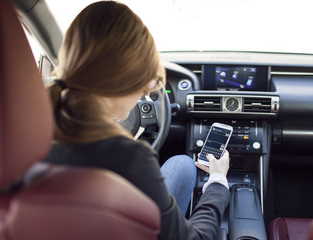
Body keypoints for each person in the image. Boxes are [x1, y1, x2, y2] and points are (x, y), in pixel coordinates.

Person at [44, 1, 230, 239]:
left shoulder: (26, 134)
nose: (142, 94)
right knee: (185, 165)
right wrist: (217, 183)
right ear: (126, 80)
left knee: (182, 165)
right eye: (146, 85)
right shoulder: (129, 158)